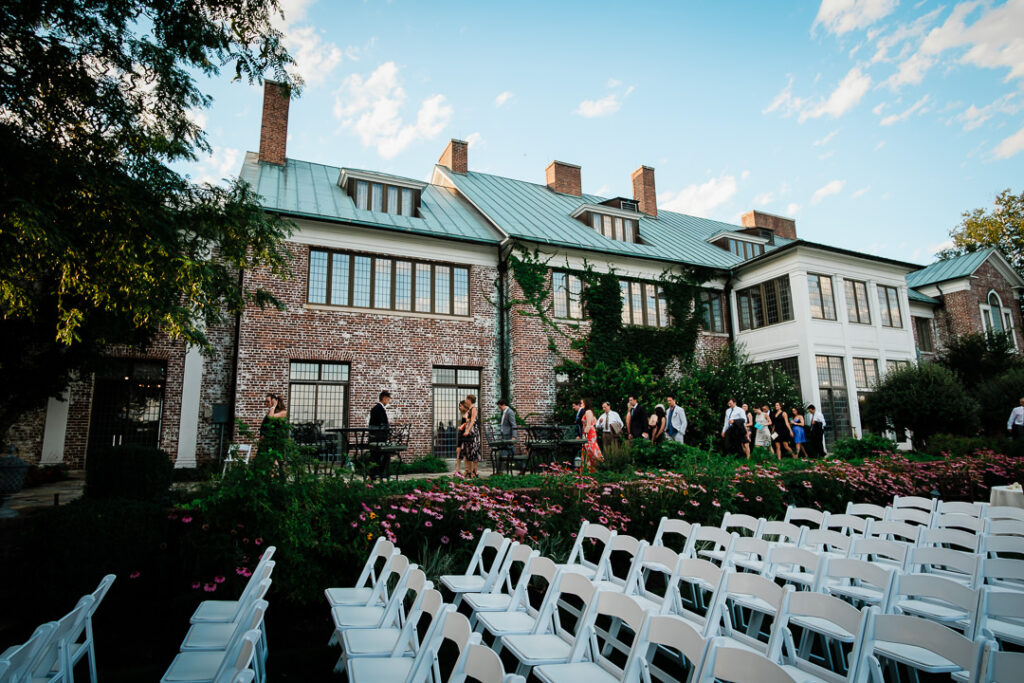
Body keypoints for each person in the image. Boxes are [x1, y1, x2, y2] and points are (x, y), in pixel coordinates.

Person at [368, 391, 391, 478]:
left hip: (375, 436)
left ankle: (374, 473)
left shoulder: (375, 408)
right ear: (384, 398)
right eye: (388, 400)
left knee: (375, 456)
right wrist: (388, 434)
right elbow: (382, 424)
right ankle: (380, 473)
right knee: (383, 454)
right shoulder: (379, 409)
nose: (388, 402)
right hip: (379, 437)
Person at [580, 398, 602, 471]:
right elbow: (594, 421)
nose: (581, 404)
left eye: (582, 403)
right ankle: (590, 467)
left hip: (589, 433)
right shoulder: (589, 412)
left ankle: (593, 466)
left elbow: (589, 425)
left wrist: (585, 435)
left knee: (590, 449)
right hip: (590, 432)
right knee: (588, 449)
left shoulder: (588, 411)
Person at [463, 394, 481, 478]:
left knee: (474, 450)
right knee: (468, 451)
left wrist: (467, 430)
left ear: (470, 400)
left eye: (466, 399)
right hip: (468, 432)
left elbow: (473, 421)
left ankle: (475, 472)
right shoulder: (469, 409)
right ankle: (469, 471)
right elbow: (467, 420)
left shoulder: (474, 409)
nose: (465, 401)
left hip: (473, 432)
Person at [497, 398, 516, 473]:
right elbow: (503, 425)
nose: (500, 409)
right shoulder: (504, 412)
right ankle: (499, 471)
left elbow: (513, 425)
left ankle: (499, 471)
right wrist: (502, 434)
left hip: (508, 436)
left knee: (509, 453)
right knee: (511, 453)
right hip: (504, 435)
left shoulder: (509, 412)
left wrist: (514, 437)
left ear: (504, 405)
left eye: (500, 407)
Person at [455, 400, 470, 476]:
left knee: (464, 453)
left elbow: (468, 422)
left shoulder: (468, 413)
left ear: (465, 406)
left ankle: (467, 470)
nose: (459, 407)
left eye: (460, 406)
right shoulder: (464, 414)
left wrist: (461, 426)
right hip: (461, 434)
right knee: (458, 451)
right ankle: (457, 470)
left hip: (465, 435)